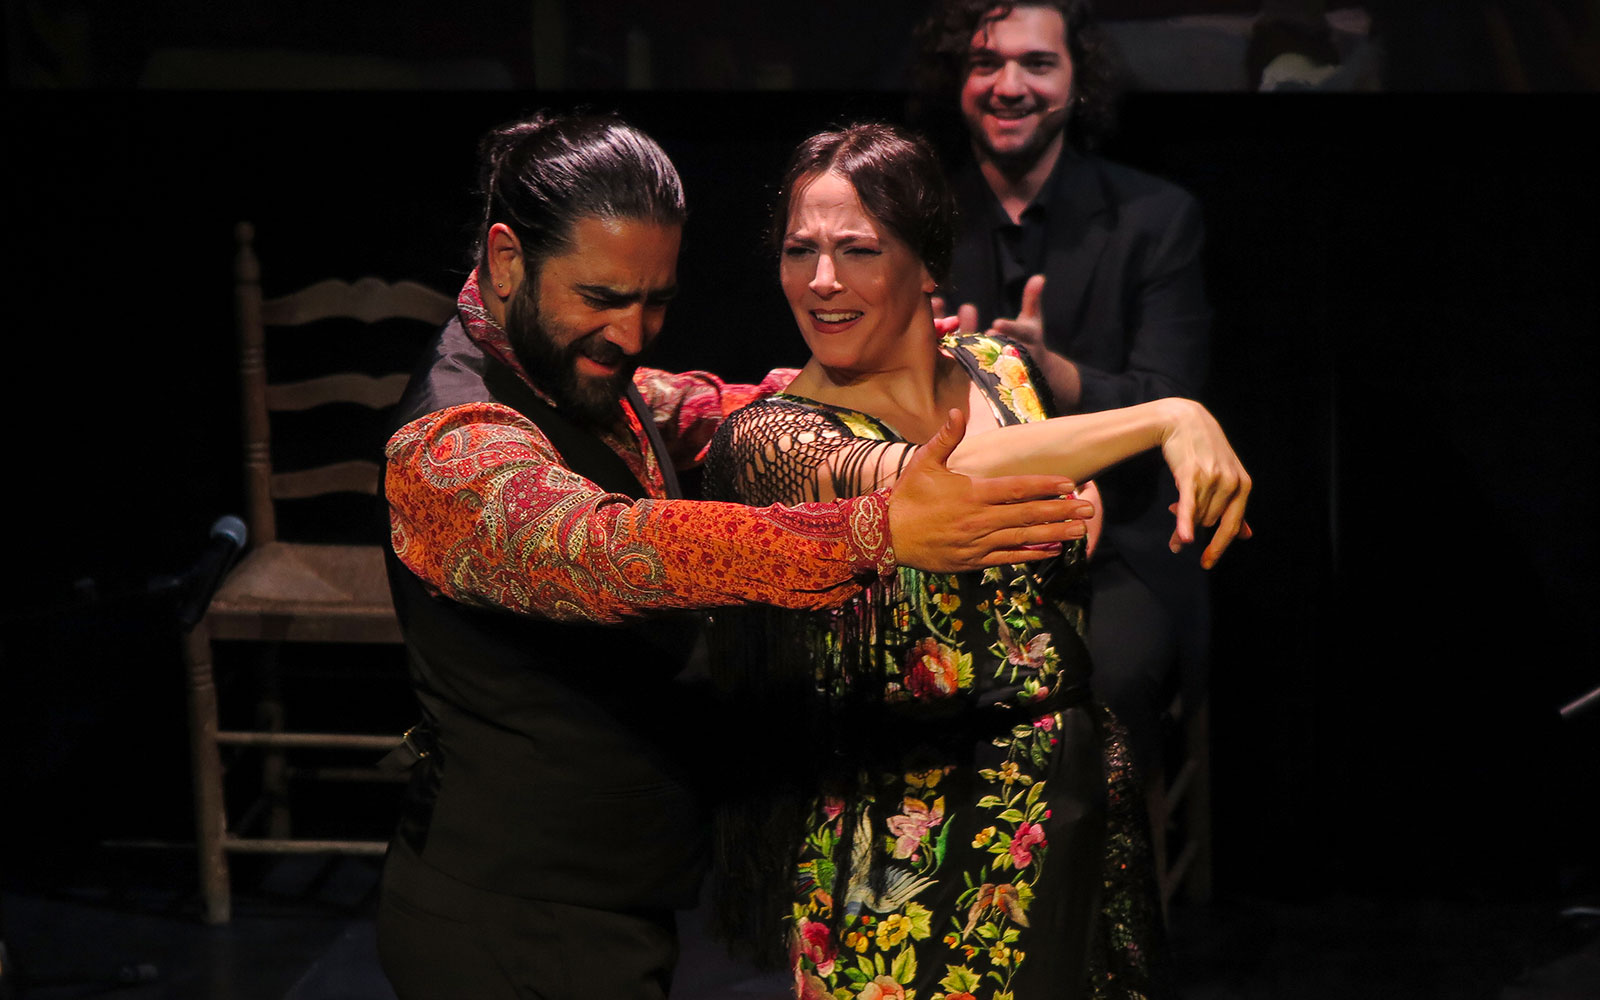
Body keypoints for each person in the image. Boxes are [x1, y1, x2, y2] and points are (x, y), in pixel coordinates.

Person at [374, 111, 1101, 1000]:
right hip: (504, 925)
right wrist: (874, 531)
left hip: (614, 905)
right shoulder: (449, 449)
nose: (634, 334)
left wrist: (943, 387)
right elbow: (604, 546)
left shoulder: (585, 373)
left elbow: (742, 411)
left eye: (656, 301)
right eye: (602, 298)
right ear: (506, 261)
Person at [703, 123, 1249, 1000]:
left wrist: (1078, 494)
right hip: (909, 845)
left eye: (858, 249)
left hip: (1071, 804)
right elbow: (937, 483)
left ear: (929, 268)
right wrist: (1170, 415)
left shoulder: (1000, 371)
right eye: (799, 250)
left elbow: (1027, 475)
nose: (822, 280)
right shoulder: (774, 438)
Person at [914, 0, 1216, 787]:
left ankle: (1101, 903)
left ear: (1078, 81)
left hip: (1120, 545)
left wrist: (1051, 374)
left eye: (1036, 64)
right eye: (987, 63)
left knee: (1103, 685)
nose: (1009, 85)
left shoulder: (1156, 217)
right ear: (959, 80)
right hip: (959, 541)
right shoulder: (914, 222)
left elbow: (1171, 396)